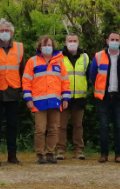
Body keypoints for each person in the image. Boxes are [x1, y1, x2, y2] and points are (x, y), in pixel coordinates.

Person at [22, 35, 70, 164]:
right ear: (39, 47)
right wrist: (28, 98)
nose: (47, 47)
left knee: (54, 128)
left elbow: (65, 81)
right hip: (38, 102)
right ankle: (40, 154)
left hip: (55, 101)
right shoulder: (33, 61)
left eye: (49, 45)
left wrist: (66, 98)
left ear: (53, 47)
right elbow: (26, 81)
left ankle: (50, 153)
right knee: (40, 129)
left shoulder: (60, 62)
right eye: (44, 45)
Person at [90, 32, 120, 163]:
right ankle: (104, 154)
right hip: (103, 96)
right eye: (112, 39)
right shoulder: (98, 56)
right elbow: (93, 75)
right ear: (107, 41)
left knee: (119, 127)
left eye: (117, 39)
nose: (114, 41)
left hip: (119, 97)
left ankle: (118, 155)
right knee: (104, 126)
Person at [0, 18, 25, 164]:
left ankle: (12, 155)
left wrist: (23, 89)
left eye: (7, 30)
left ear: (12, 32)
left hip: (13, 90)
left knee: (12, 125)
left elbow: (23, 70)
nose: (4, 33)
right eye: (2, 30)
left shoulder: (20, 47)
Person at [55, 34, 89, 160]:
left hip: (80, 96)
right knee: (61, 125)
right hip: (63, 96)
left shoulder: (85, 56)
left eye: (75, 41)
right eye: (70, 41)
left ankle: (78, 150)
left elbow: (88, 74)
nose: (72, 43)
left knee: (78, 125)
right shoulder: (58, 56)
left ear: (78, 42)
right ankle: (61, 150)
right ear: (65, 42)